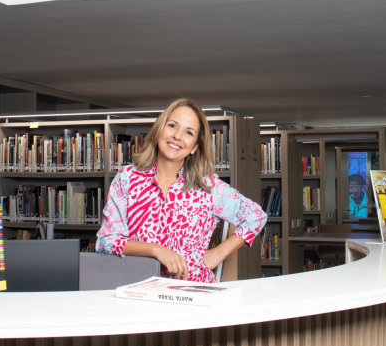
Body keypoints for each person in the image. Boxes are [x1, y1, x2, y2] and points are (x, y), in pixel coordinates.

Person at [95, 98, 267, 283]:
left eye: (189, 132)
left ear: (195, 147)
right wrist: (155, 250)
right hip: (140, 290)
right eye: (172, 125)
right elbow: (106, 241)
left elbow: (256, 216)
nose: (177, 136)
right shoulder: (128, 178)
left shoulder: (209, 188)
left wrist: (219, 253)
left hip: (194, 293)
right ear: (160, 129)